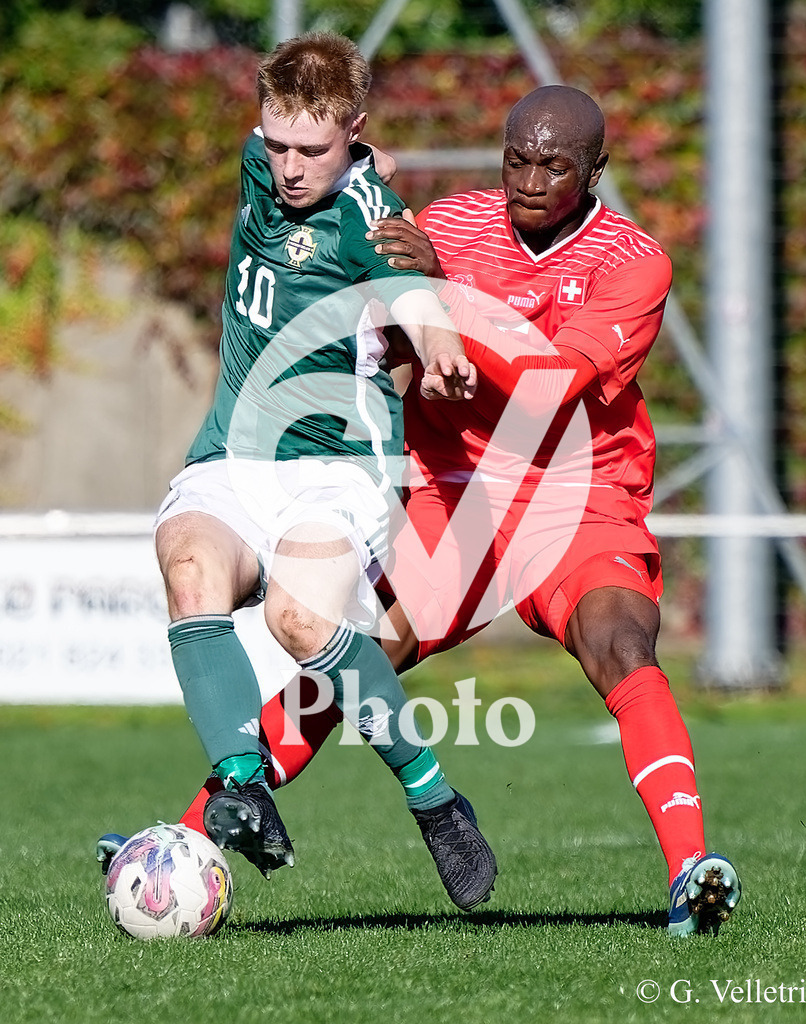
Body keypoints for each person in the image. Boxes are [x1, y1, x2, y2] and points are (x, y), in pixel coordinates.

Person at [124, 83, 743, 936]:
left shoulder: (631, 262)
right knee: (346, 660)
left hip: (578, 493)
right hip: (452, 490)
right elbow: (369, 307)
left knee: (618, 642)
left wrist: (442, 298)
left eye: (554, 166)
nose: (529, 179)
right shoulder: (445, 224)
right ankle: (185, 840)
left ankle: (690, 871)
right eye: (516, 158)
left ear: (594, 170)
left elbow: (550, 386)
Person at [98, 32, 498, 915]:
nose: (286, 167)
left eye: (310, 150)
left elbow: (417, 298)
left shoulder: (368, 215)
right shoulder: (265, 161)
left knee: (297, 620)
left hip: (338, 470)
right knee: (190, 566)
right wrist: (343, 152)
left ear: (351, 132)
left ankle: (434, 797)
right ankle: (241, 784)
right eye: (275, 143)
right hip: (235, 455)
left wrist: (438, 351)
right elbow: (322, 149)